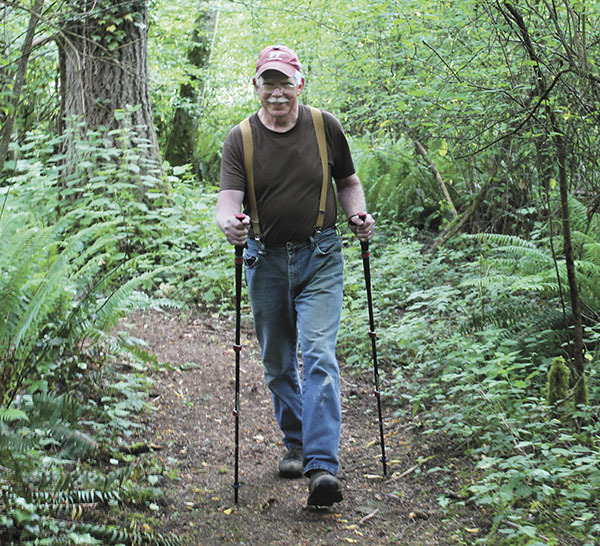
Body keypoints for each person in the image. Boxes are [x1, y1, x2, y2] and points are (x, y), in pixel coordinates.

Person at [216, 44, 375, 507]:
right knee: (278, 362)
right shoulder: (239, 138)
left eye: (285, 81)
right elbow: (229, 198)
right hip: (263, 260)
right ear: (257, 86)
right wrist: (229, 222)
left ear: (300, 83)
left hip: (321, 254)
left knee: (320, 354)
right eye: (269, 82)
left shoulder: (326, 127)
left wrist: (358, 214)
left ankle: (322, 466)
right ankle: (297, 441)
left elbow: (348, 184)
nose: (277, 91)